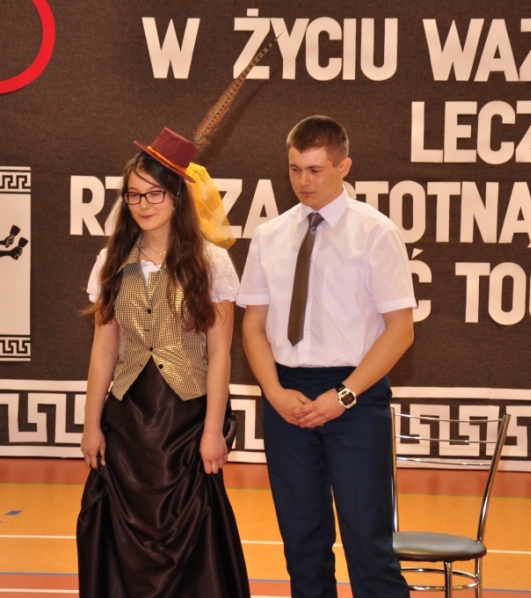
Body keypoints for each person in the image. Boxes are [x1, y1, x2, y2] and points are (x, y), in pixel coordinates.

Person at [237, 115, 417, 598]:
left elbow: (400, 330)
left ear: (344, 166)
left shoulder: (375, 232)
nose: (304, 181)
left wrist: (345, 394)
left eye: (315, 170)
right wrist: (274, 392)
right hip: (286, 397)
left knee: (369, 547)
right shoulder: (270, 235)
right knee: (303, 547)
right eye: (295, 169)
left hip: (354, 395)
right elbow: (252, 326)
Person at [76, 127, 250, 598]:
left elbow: (220, 353)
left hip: (186, 421)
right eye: (134, 194)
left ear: (176, 196)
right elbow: (104, 349)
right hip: (127, 423)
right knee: (119, 535)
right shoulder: (111, 261)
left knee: (193, 535)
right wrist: (91, 426)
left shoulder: (211, 263)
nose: (143, 204)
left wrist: (213, 431)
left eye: (154, 193)